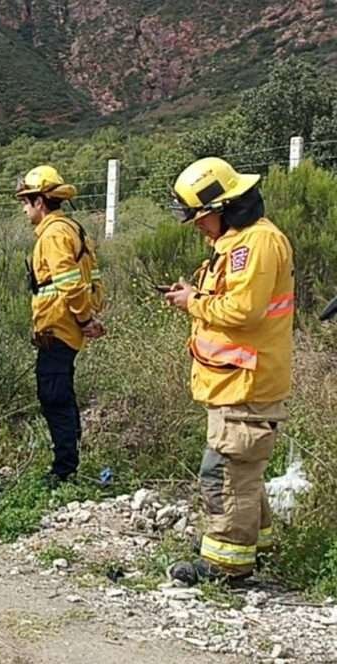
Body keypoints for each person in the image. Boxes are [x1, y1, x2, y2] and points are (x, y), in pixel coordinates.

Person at [162, 158, 295, 586]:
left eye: (202, 218)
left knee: (225, 472)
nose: (200, 228)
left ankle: (226, 564)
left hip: (246, 382)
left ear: (224, 206)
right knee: (242, 471)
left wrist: (192, 303)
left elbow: (243, 311)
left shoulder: (253, 245)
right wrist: (196, 294)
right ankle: (258, 547)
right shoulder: (241, 242)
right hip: (235, 379)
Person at [15, 166, 106, 486]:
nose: (24, 207)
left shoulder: (53, 234)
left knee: (54, 394)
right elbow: (91, 279)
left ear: (40, 201)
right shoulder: (71, 229)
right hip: (66, 326)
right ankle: (69, 459)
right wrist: (89, 317)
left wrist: (83, 319)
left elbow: (68, 284)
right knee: (60, 392)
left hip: (59, 327)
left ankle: (64, 468)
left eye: (26, 201)